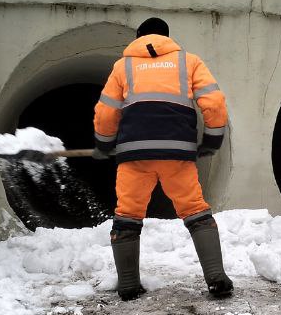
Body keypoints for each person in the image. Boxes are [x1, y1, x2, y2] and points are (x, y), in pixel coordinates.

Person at [92, 17, 233, 300]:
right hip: (176, 152)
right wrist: (212, 141)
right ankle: (216, 277)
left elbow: (107, 111)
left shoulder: (124, 66)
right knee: (195, 210)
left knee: (128, 215)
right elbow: (214, 103)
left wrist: (104, 144)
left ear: (138, 37)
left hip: (135, 154)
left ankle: (129, 284)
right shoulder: (188, 61)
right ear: (167, 38)